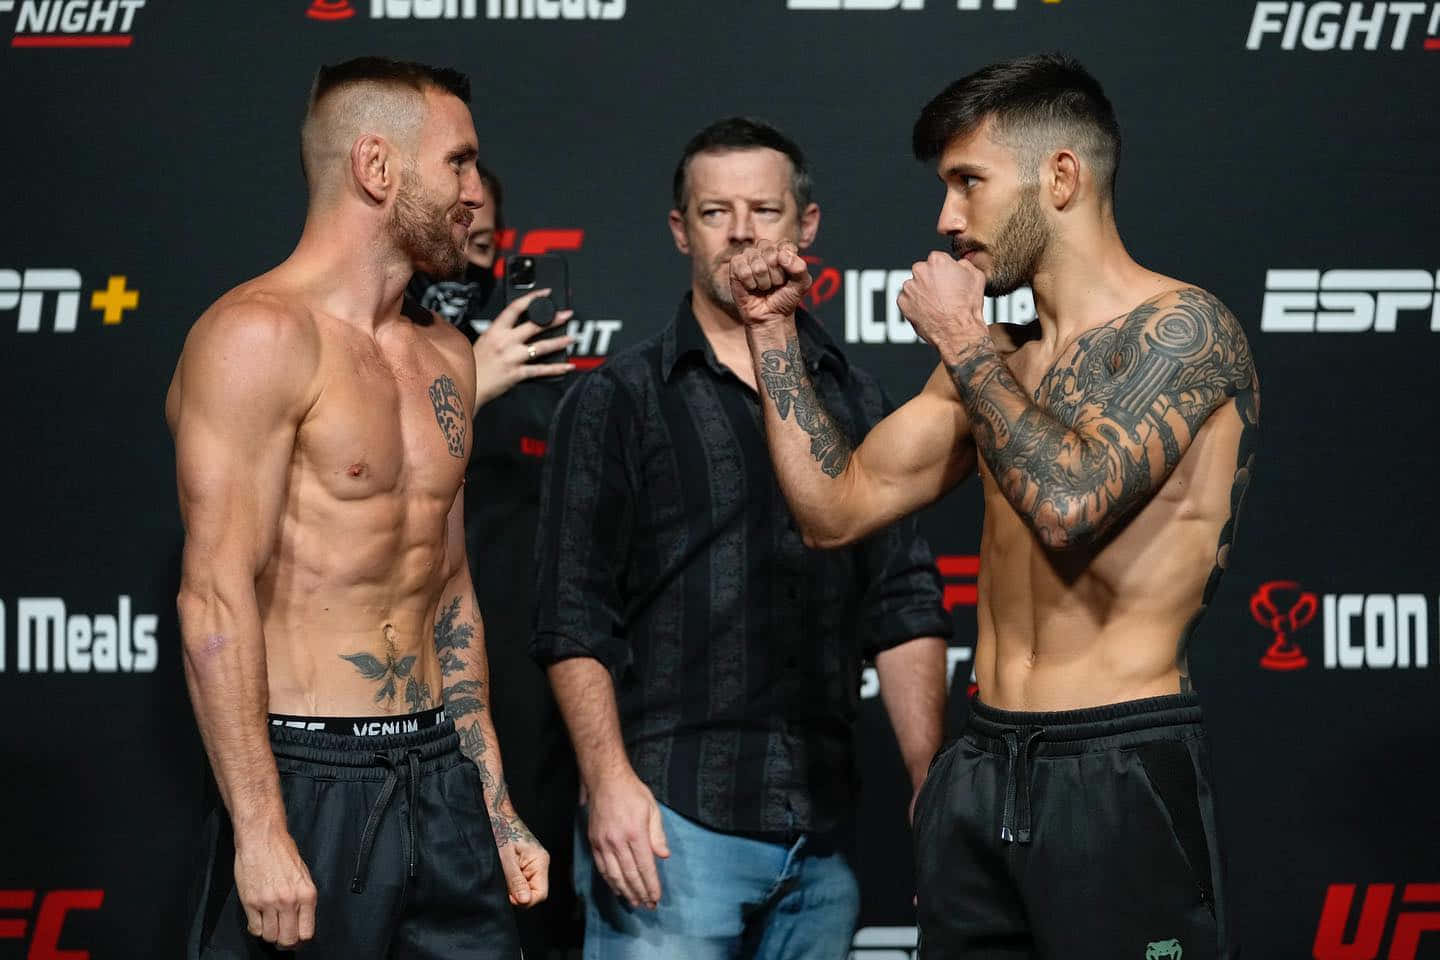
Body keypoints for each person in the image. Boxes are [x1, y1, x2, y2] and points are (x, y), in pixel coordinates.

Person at [730, 54, 1257, 959]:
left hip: (1116, 762)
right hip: (980, 762)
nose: (947, 219)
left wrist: (961, 340)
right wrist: (771, 333)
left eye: (968, 182)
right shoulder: (1000, 356)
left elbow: (1068, 505)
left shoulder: (1186, 332)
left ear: (1062, 177)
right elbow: (834, 509)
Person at [532, 116, 951, 960]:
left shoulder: (857, 399)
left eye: (764, 209)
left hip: (824, 831)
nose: (742, 232)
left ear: (807, 224)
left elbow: (902, 600)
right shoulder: (617, 400)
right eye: (715, 211)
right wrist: (607, 783)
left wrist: (928, 785)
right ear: (680, 229)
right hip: (668, 827)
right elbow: (572, 613)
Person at [168, 56, 548, 959]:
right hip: (309, 781)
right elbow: (214, 597)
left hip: (444, 779)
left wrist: (494, 806)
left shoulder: (446, 354)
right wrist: (261, 829)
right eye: (458, 163)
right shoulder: (258, 337)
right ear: (376, 167)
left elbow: (449, 593)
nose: (476, 194)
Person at [415, 165, 586, 958]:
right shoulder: (364, 341)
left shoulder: (536, 360)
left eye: (481, 242)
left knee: (527, 900)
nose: (464, 258)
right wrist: (469, 380)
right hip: (385, 665)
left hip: (516, 670)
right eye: (452, 236)